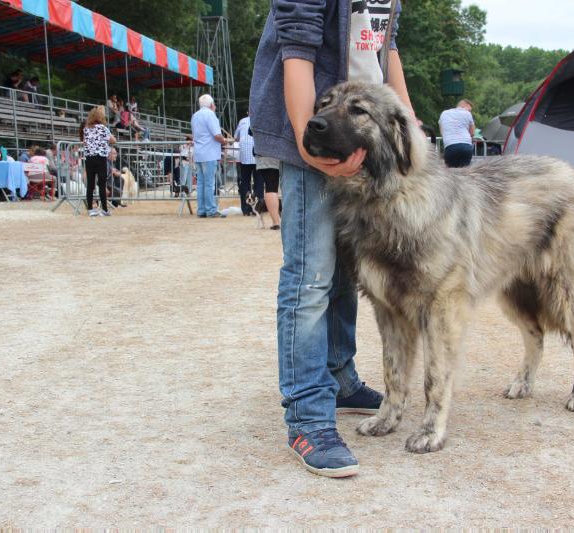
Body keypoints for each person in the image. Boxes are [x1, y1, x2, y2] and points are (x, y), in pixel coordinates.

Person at [250, 0, 416, 477]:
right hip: (319, 130)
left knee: (346, 270)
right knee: (310, 275)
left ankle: (341, 380)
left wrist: (408, 117)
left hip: (364, 139)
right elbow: (296, 51)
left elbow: (386, 45)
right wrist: (309, 142)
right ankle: (307, 416)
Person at [190, 94, 227, 219]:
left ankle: (201, 210)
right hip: (209, 153)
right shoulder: (210, 115)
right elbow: (217, 134)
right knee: (209, 183)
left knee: (200, 183)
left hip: (199, 153)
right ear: (211, 105)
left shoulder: (195, 116)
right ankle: (211, 210)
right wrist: (224, 140)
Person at [83, 106, 116, 217]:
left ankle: (90, 209)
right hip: (100, 157)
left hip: (89, 158)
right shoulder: (102, 128)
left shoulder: (86, 128)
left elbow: (85, 142)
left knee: (90, 184)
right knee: (102, 184)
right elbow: (113, 140)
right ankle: (105, 209)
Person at [438, 99, 476, 168]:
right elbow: (472, 133)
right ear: (463, 105)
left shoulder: (443, 113)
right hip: (466, 146)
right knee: (465, 172)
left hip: (450, 146)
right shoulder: (467, 113)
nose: (469, 111)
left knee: (451, 174)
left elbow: (442, 133)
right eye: (469, 109)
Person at [234, 111, 256, 216]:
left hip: (244, 157)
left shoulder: (242, 121)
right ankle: (258, 208)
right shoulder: (260, 119)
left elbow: (236, 137)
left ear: (247, 113)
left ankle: (246, 209)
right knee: (259, 184)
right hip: (257, 156)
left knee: (245, 184)